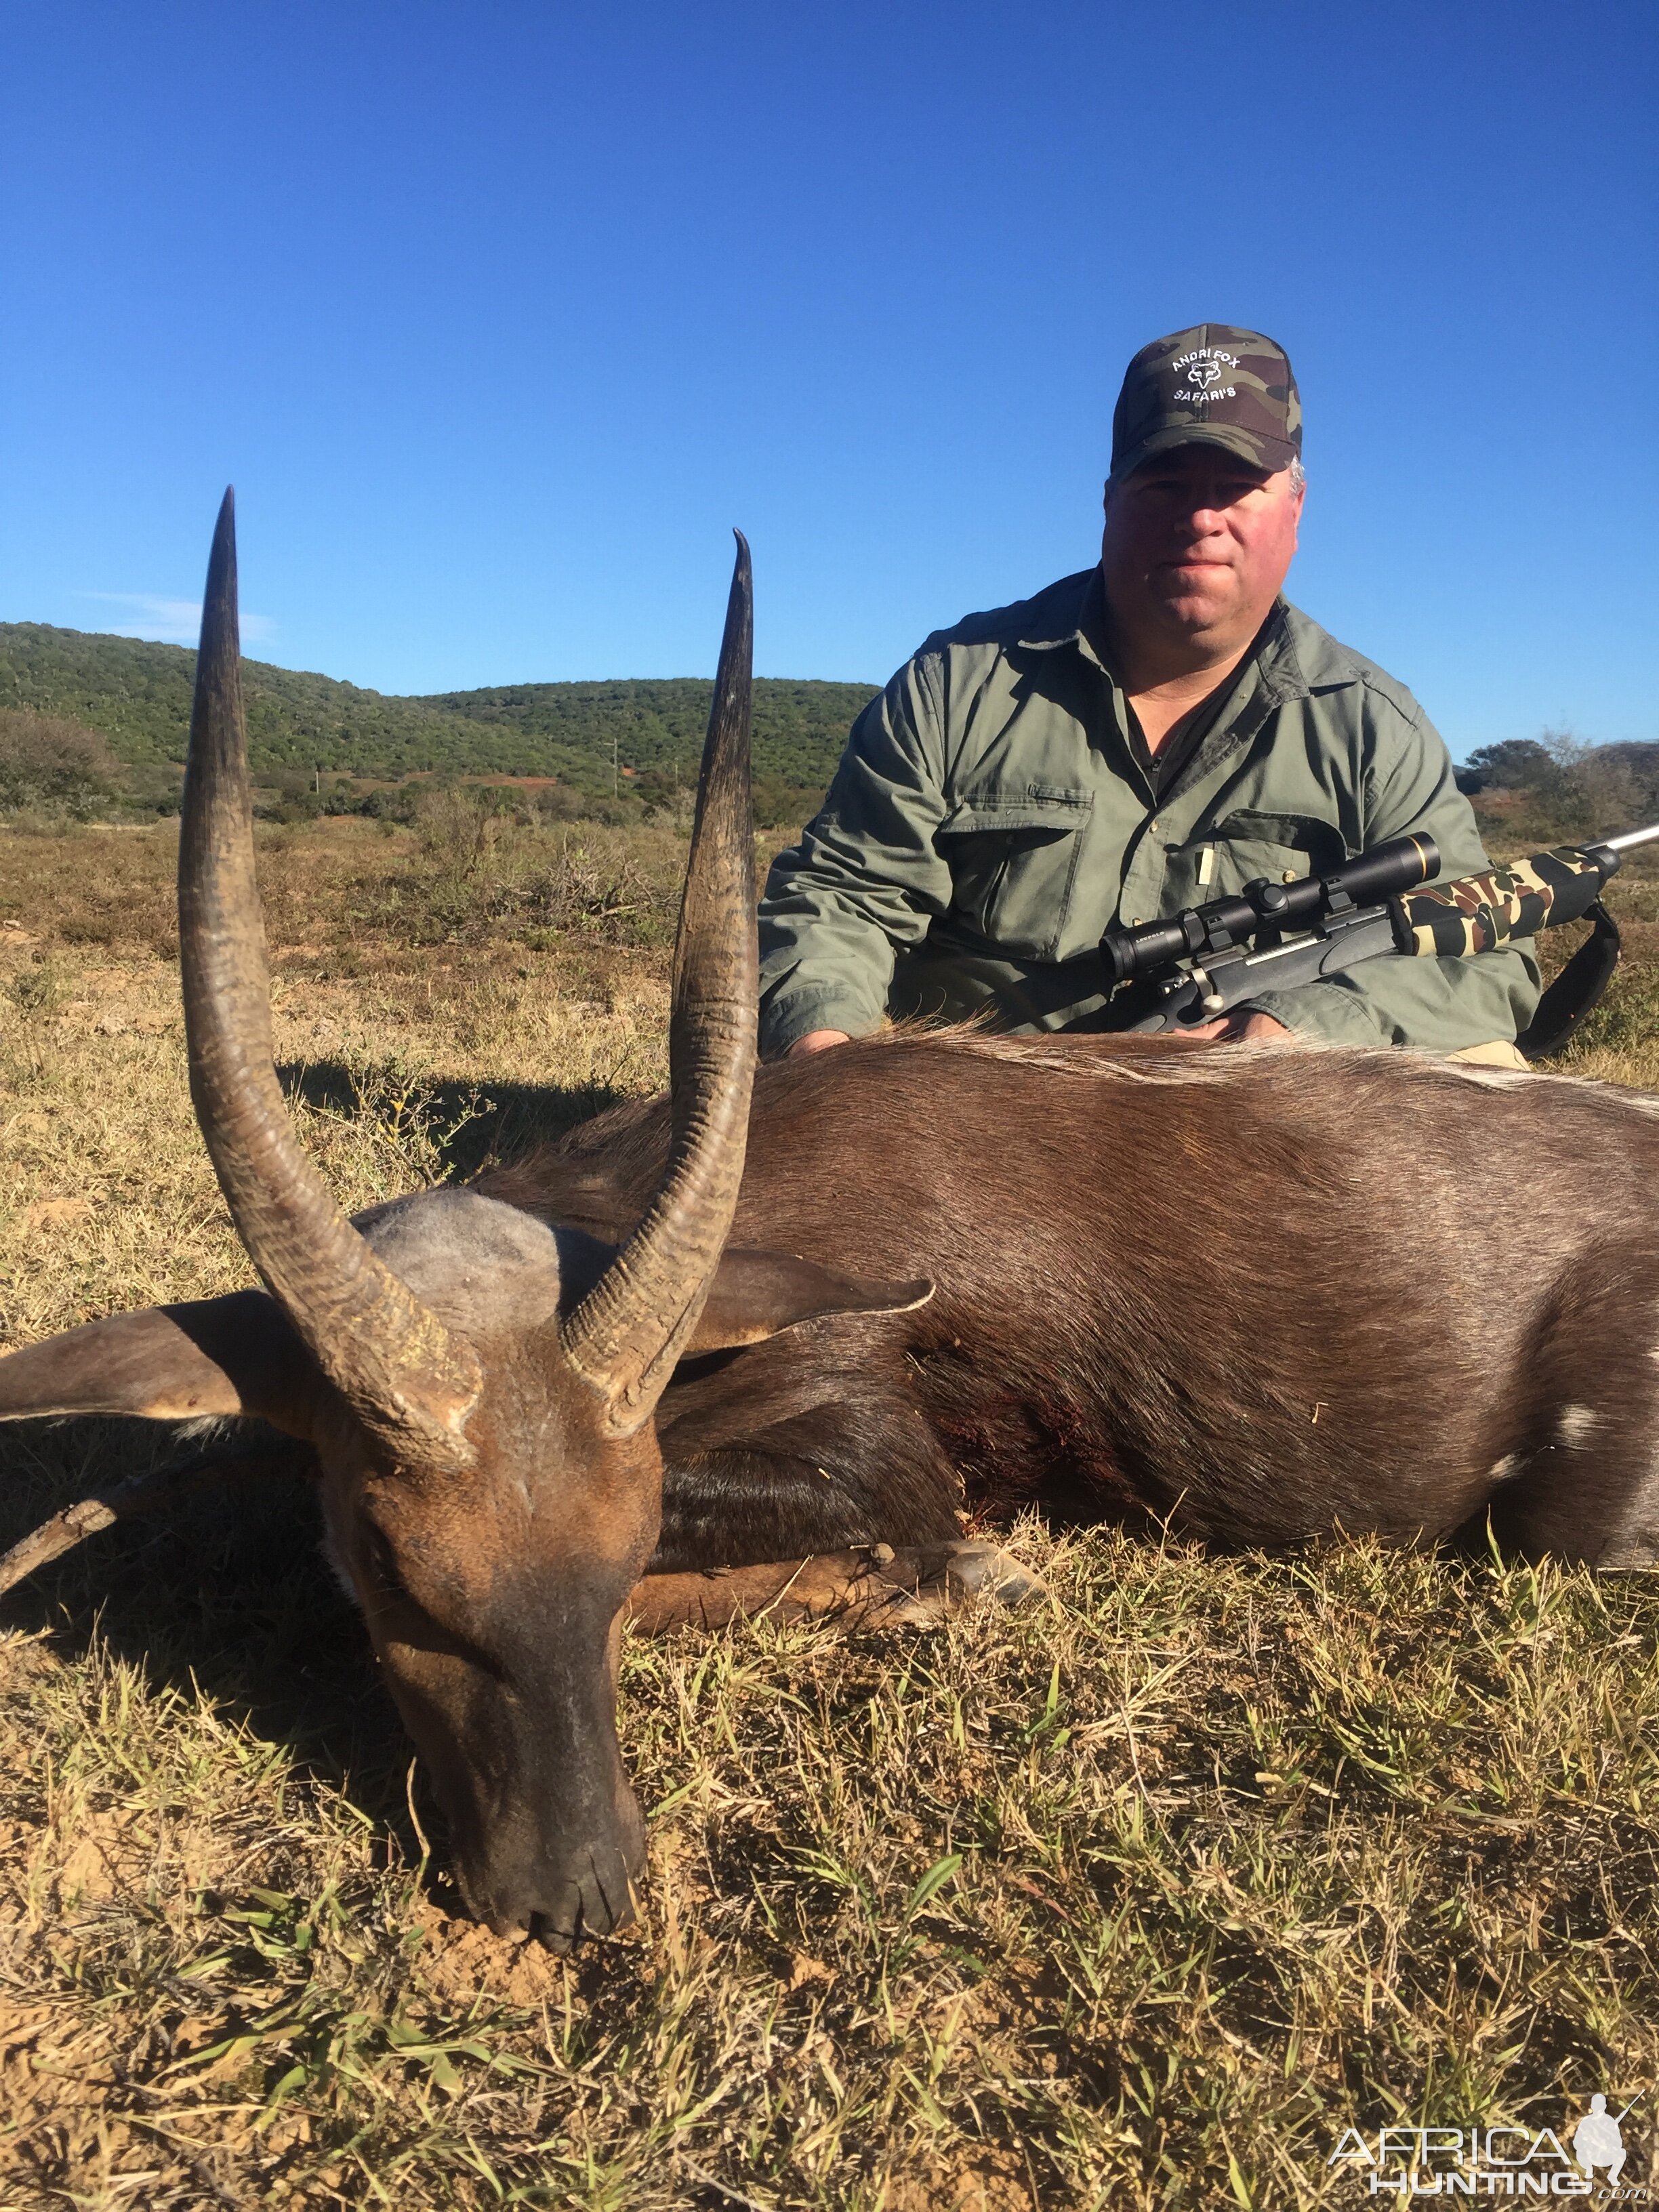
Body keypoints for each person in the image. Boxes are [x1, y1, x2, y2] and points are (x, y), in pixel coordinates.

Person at [757, 324, 1538, 1063]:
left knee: (1488, 1074)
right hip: (982, 1116)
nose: (1200, 519)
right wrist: (826, 1057)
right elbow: (842, 896)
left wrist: (1297, 1028)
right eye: (1164, 484)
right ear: (1109, 503)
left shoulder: (1374, 729)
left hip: (1260, 1109)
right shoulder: (957, 682)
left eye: (1236, 487)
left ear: (1295, 510)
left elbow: (1481, 954)